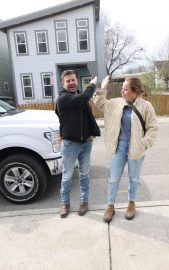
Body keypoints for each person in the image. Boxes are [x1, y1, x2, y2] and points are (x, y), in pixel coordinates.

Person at [93, 76, 158, 222]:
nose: (122, 91)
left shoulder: (146, 106)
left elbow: (153, 129)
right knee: (114, 178)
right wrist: (102, 88)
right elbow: (100, 104)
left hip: (136, 148)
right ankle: (110, 205)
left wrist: (143, 143)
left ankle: (131, 203)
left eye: (125, 89)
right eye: (122, 88)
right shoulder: (117, 103)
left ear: (135, 91)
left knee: (134, 179)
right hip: (119, 146)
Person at [55, 70, 100, 218]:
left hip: (86, 143)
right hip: (70, 145)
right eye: (68, 81)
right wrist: (93, 84)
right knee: (67, 176)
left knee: (84, 175)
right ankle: (65, 203)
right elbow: (85, 96)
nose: (72, 83)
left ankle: (84, 202)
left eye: (73, 80)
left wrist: (93, 132)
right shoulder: (63, 99)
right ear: (63, 84)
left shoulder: (79, 97)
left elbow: (88, 117)